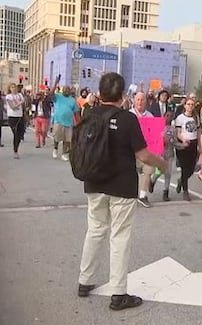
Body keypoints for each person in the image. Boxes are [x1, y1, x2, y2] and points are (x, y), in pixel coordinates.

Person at [77, 72, 168, 311]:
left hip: (94, 182)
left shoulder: (89, 114)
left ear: (101, 92)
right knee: (120, 237)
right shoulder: (127, 119)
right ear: (122, 94)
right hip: (122, 186)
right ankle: (118, 293)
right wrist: (162, 163)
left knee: (95, 230)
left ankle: (84, 281)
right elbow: (143, 155)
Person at [130, 92, 156, 208]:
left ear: (146, 102)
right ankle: (130, 195)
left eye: (142, 100)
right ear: (134, 101)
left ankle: (143, 195)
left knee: (148, 171)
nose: (140, 102)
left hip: (146, 149)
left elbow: (154, 132)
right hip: (131, 150)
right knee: (131, 173)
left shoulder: (150, 116)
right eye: (138, 100)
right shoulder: (129, 115)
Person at [174, 97, 200, 200]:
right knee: (184, 168)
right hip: (184, 144)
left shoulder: (195, 117)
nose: (190, 106)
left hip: (193, 143)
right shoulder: (180, 118)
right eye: (188, 104)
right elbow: (178, 133)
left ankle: (181, 180)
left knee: (191, 168)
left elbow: (198, 131)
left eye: (192, 104)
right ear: (185, 106)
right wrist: (183, 139)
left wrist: (199, 145)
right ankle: (185, 190)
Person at [51, 78, 80, 162]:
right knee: (57, 137)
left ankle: (64, 154)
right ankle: (55, 148)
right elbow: (51, 94)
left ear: (70, 91)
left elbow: (76, 112)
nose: (66, 91)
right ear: (62, 90)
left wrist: (79, 123)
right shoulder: (58, 97)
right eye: (65, 89)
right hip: (58, 121)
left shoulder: (72, 100)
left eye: (68, 89)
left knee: (67, 139)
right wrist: (56, 83)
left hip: (68, 123)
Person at [5, 83, 26, 159]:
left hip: (19, 116)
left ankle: (16, 148)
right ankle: (15, 151)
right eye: (12, 87)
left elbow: (24, 103)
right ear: (10, 89)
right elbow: (12, 107)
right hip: (12, 117)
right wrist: (20, 103)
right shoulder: (8, 96)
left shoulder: (20, 95)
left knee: (20, 134)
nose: (14, 89)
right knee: (16, 133)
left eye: (15, 87)